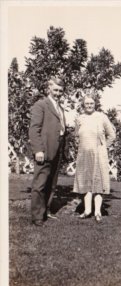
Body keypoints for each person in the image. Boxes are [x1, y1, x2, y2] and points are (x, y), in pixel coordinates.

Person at [29, 76, 69, 226]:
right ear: (49, 89)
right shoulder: (41, 105)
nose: (58, 93)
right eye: (55, 90)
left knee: (51, 184)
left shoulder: (60, 108)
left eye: (61, 90)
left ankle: (46, 210)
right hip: (44, 151)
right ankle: (37, 217)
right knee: (39, 184)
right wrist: (38, 150)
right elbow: (34, 129)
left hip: (57, 151)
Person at [73, 95, 116, 222]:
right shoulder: (80, 118)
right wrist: (80, 147)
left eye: (91, 103)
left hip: (99, 155)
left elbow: (112, 135)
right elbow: (76, 136)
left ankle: (97, 212)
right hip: (84, 155)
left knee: (98, 182)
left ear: (95, 104)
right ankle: (87, 210)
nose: (89, 105)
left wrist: (103, 147)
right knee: (86, 183)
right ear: (83, 105)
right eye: (87, 103)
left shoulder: (102, 117)